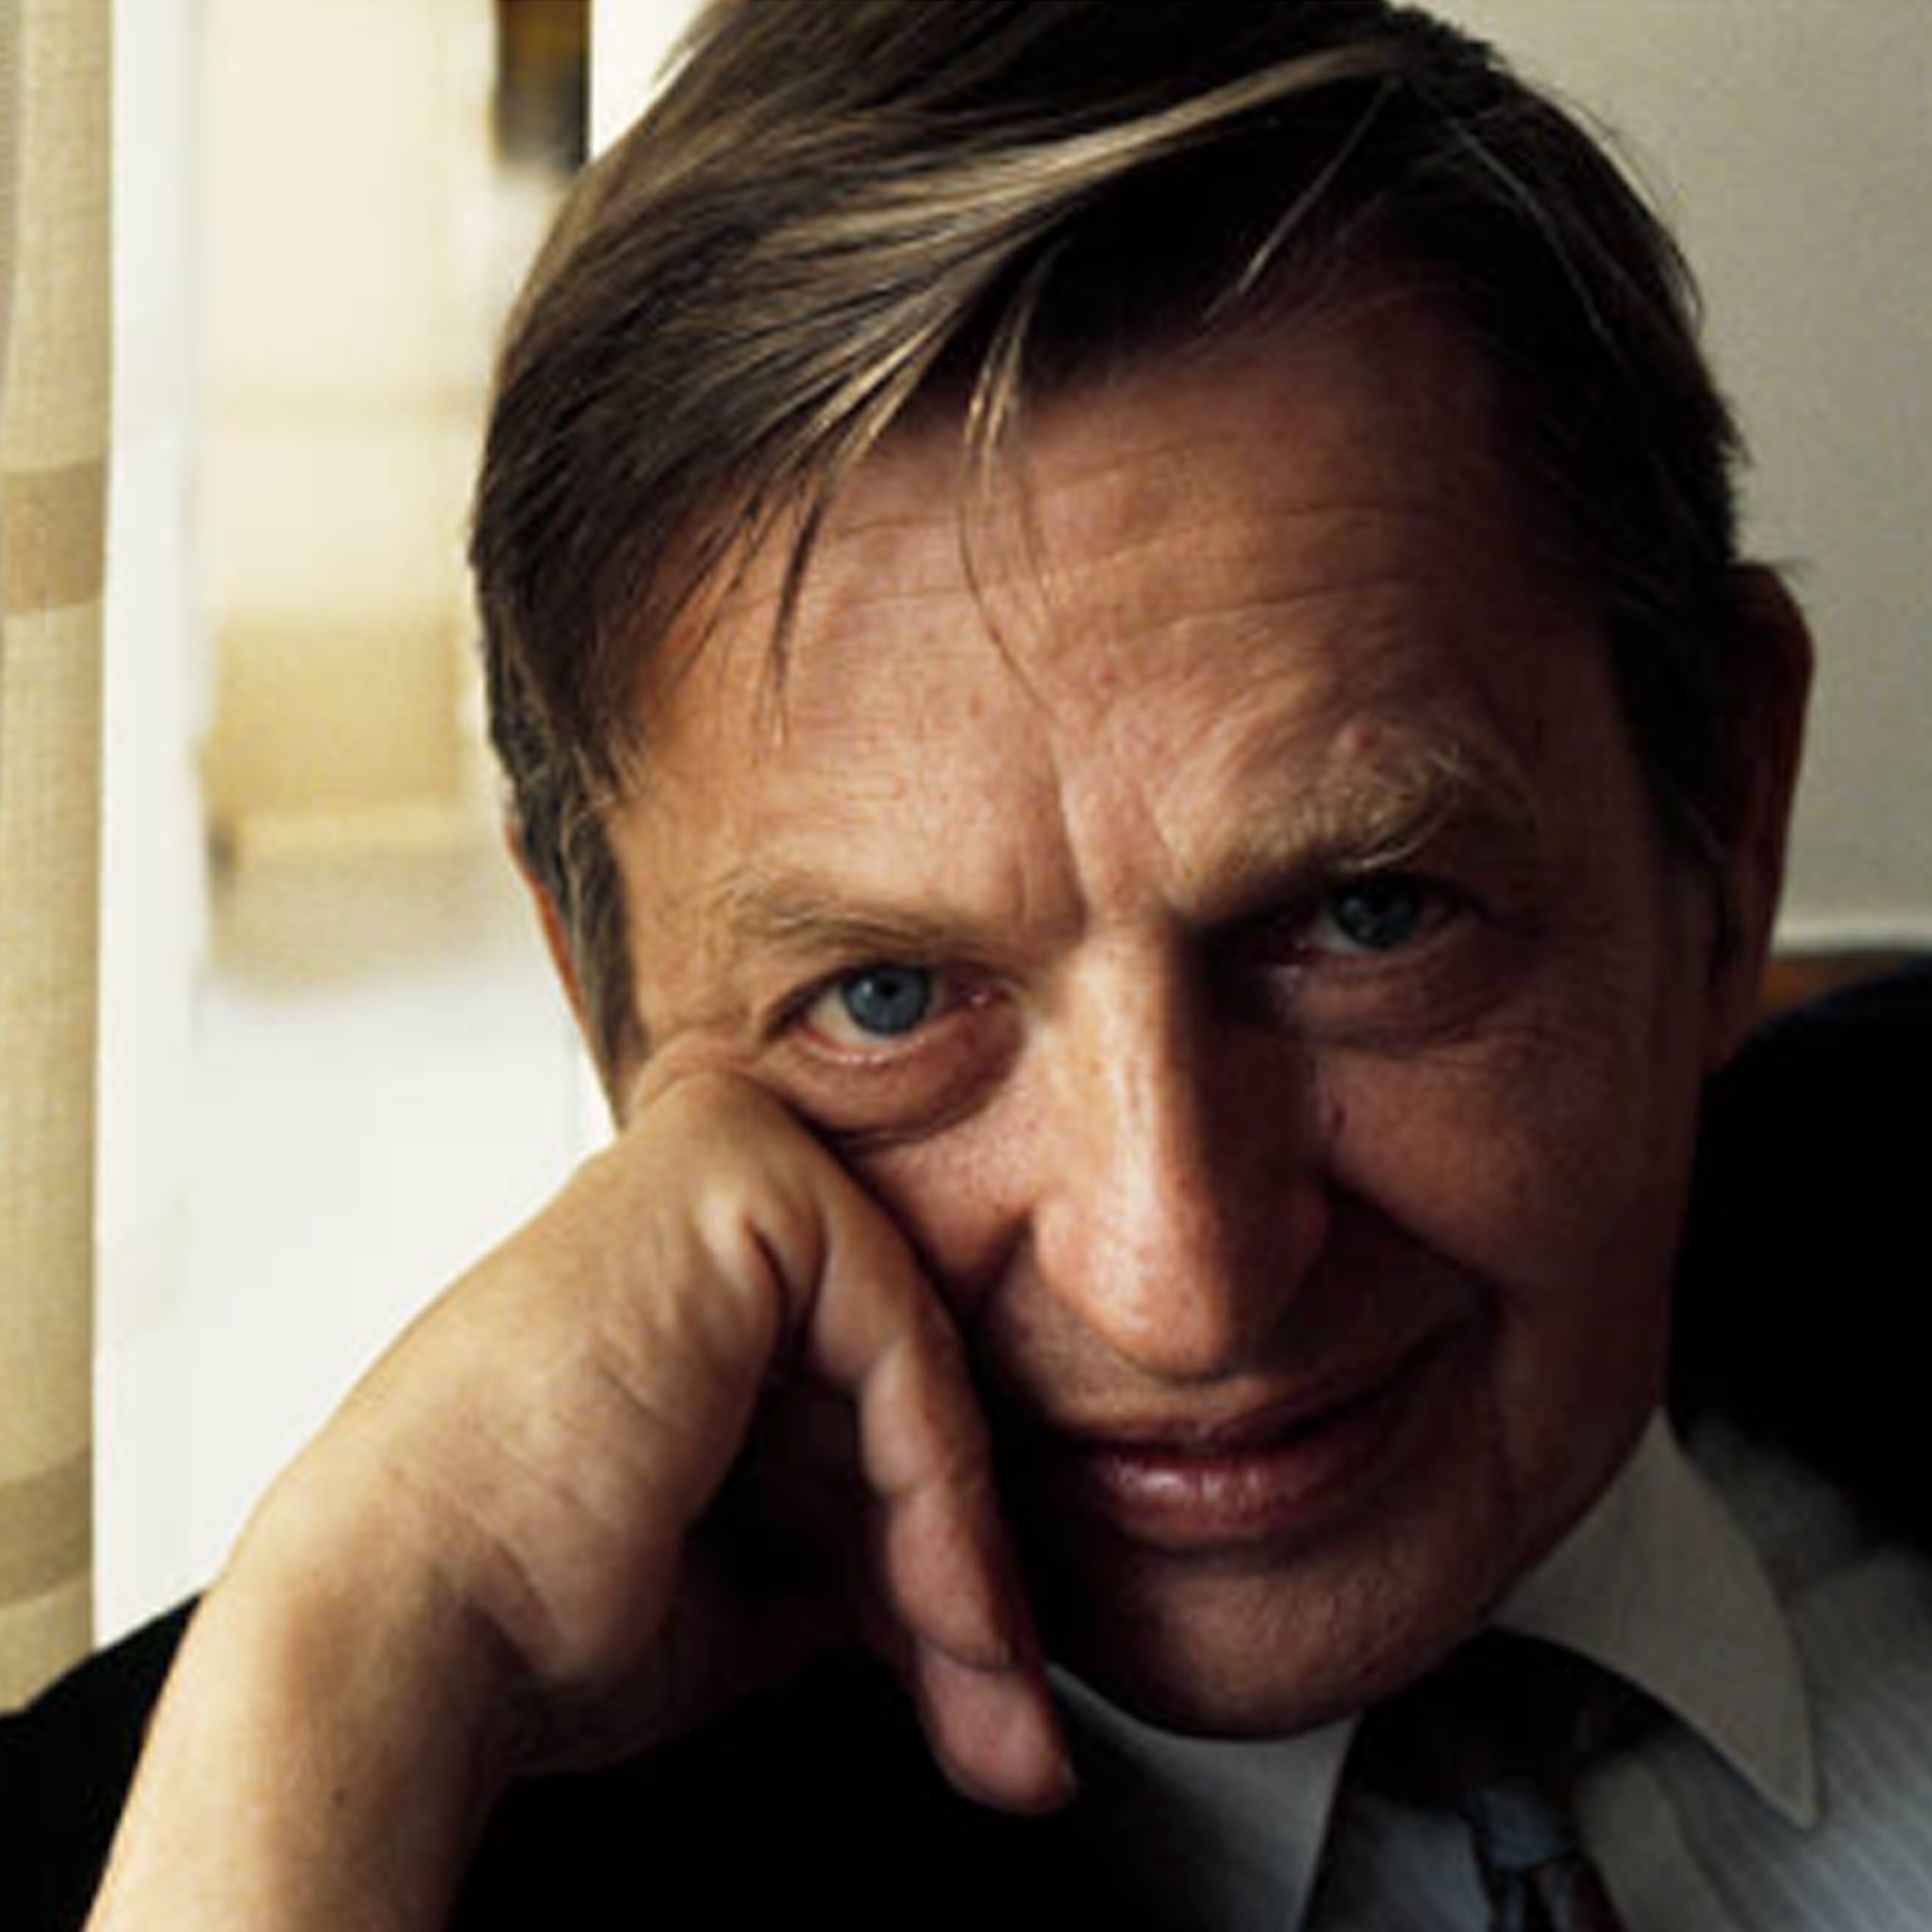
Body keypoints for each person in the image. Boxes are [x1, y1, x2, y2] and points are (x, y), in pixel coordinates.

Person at [8, 2, 1932, 1925]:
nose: (1180, 1284)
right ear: (601, 1000)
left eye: (1368, 915)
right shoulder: (274, 1811)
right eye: (890, 999)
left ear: (1727, 815)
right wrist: (360, 1653)